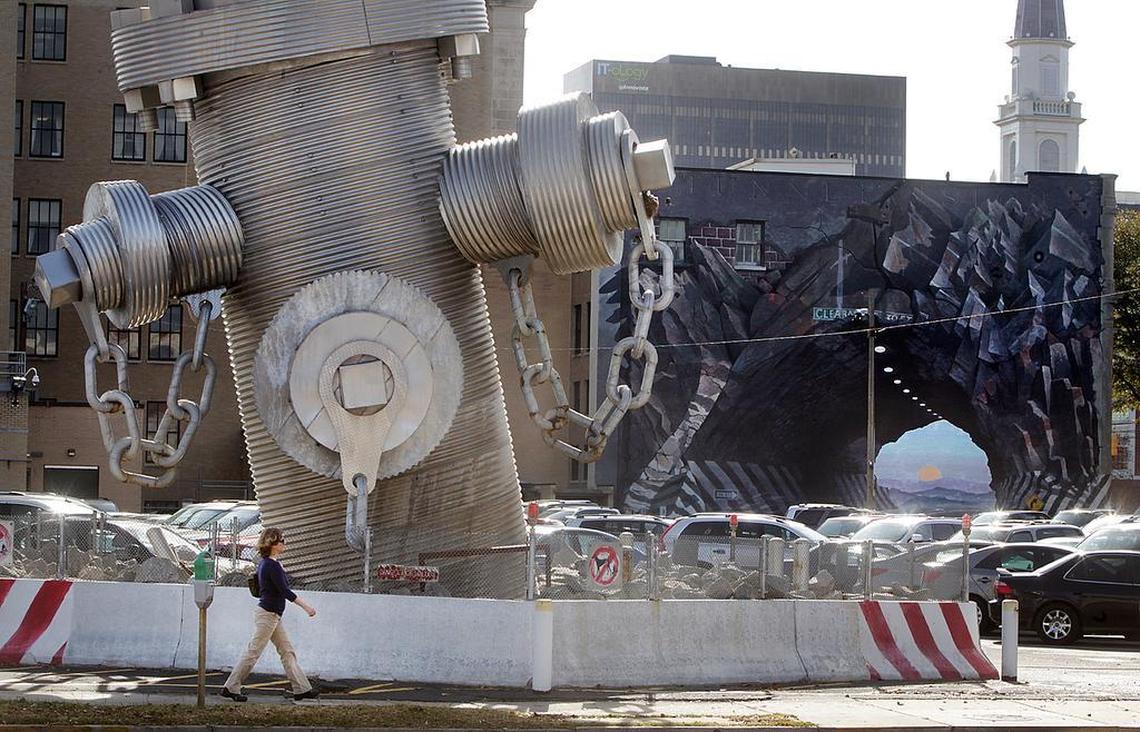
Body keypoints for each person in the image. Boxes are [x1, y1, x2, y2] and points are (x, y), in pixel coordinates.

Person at [221, 527, 319, 702]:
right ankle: (231, 687)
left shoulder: (268, 563)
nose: (284, 543)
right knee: (253, 652)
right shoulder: (271, 565)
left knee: (287, 651)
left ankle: (301, 689)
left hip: (272, 615)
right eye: (282, 540)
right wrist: (307, 607)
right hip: (268, 615)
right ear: (272, 543)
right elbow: (285, 591)